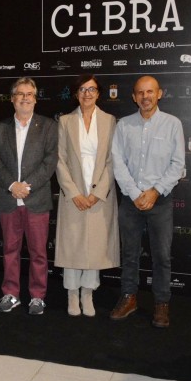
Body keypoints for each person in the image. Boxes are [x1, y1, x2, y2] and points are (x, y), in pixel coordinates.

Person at [110, 75, 185, 328]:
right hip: (130, 200)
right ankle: (129, 298)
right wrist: (134, 193)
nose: (145, 96)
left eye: (150, 92)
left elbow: (178, 165)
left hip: (160, 201)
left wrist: (155, 191)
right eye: (140, 93)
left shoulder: (173, 124)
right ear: (134, 97)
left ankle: (161, 303)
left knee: (161, 256)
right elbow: (117, 163)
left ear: (159, 94)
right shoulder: (124, 125)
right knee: (129, 254)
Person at [0, 77, 58, 315]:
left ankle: (37, 296)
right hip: (9, 199)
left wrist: (26, 186)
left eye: (30, 94)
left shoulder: (48, 126)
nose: (25, 98)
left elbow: (50, 161)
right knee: (10, 250)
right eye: (20, 94)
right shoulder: (0, 128)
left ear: (35, 99)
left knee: (39, 252)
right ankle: (11, 293)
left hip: (36, 199)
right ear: (12, 99)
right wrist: (11, 185)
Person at [55, 75, 120, 317]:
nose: (87, 94)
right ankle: (72, 293)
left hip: (99, 195)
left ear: (99, 93)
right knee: (72, 244)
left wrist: (97, 193)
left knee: (94, 245)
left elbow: (113, 161)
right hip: (73, 194)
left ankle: (88, 292)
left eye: (92, 89)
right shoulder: (65, 121)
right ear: (76, 93)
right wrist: (73, 192)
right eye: (82, 89)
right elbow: (59, 160)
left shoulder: (109, 121)